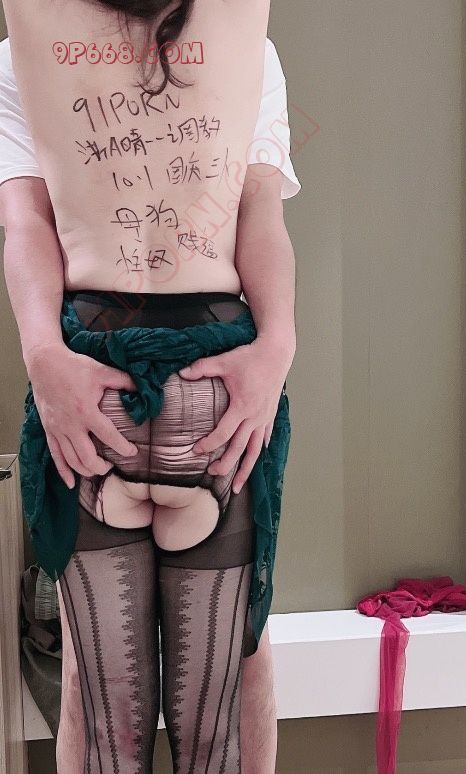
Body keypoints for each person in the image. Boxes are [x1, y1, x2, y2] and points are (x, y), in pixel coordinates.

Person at [0, 0, 300, 770]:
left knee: (103, 712)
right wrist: (273, 345)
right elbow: (260, 213)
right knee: (217, 721)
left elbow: (25, 224)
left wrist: (43, 354)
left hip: (93, 377)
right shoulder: (245, 46)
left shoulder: (23, 50)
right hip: (211, 382)